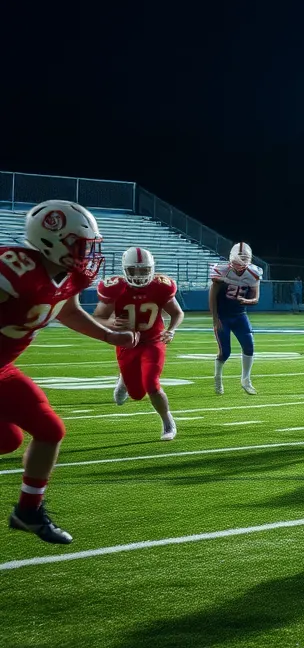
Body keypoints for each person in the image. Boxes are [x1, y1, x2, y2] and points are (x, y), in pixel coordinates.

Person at [2, 200, 138, 544]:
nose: (87, 253)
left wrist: (108, 334)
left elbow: (67, 310)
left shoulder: (70, 276)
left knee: (31, 434)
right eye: (80, 244)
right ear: (50, 240)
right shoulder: (13, 270)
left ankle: (28, 512)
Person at [95, 247, 184, 440]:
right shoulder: (115, 287)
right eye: (133, 270)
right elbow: (98, 318)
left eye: (143, 270)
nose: (138, 275)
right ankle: (123, 380)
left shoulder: (161, 286)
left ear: (151, 269)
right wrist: (113, 323)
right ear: (125, 270)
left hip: (153, 340)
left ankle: (168, 422)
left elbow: (177, 313)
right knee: (136, 394)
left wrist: (171, 330)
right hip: (126, 343)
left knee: (152, 384)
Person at [209, 242, 262, 395]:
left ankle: (246, 380)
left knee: (249, 346)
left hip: (240, 315)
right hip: (223, 316)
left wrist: (247, 301)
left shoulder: (253, 273)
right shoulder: (222, 271)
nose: (240, 264)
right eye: (238, 260)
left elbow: (256, 299)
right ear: (231, 259)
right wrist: (215, 318)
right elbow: (212, 296)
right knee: (225, 352)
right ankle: (218, 378)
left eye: (243, 260)